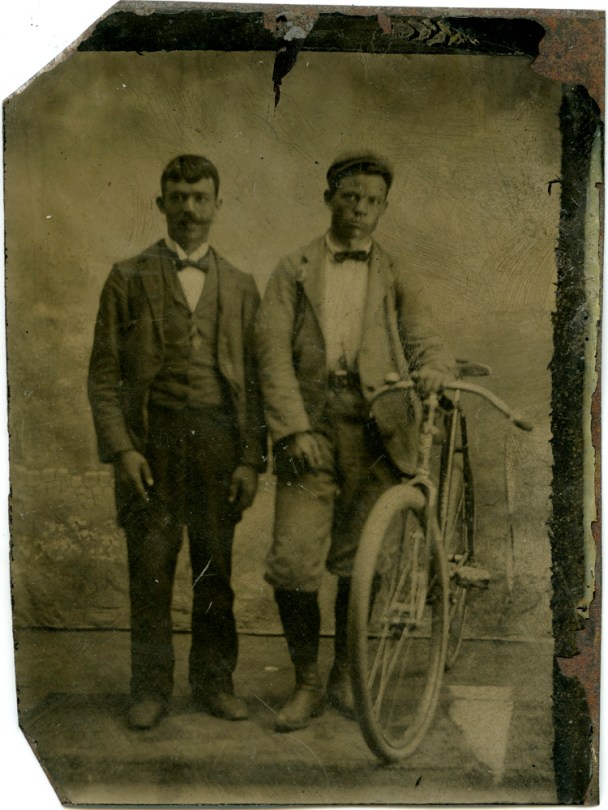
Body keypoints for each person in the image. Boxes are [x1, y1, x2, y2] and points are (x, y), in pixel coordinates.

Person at [255, 154, 455, 732]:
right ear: (329, 200)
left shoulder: (395, 272)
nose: (360, 209)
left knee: (356, 565)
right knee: (294, 562)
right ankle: (306, 682)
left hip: (376, 435)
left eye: (371, 201)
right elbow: (269, 353)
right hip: (311, 431)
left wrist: (435, 369)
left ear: (383, 208)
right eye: (349, 198)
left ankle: (344, 672)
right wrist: (293, 428)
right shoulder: (291, 270)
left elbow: (425, 339)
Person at [88, 154, 265, 730]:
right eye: (178, 196)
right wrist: (124, 450)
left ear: (217, 206)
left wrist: (249, 458)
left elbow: (258, 384)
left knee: (215, 569)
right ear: (161, 204)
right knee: (152, 567)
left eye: (200, 197)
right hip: (152, 445)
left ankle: (215, 683)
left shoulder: (240, 286)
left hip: (219, 442)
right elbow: (105, 374)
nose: (189, 207)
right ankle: (150, 689)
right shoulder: (127, 277)